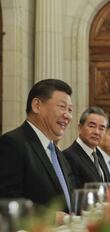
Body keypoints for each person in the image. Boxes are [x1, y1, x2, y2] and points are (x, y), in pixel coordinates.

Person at [0, 79, 75, 211]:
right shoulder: (12, 143)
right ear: (36, 106)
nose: (68, 116)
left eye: (70, 110)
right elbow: (6, 199)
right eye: (62, 107)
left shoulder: (56, 152)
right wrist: (50, 217)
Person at [64, 107, 110, 188]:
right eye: (92, 126)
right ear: (80, 128)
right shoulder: (68, 156)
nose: (97, 132)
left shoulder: (98, 154)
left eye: (102, 128)